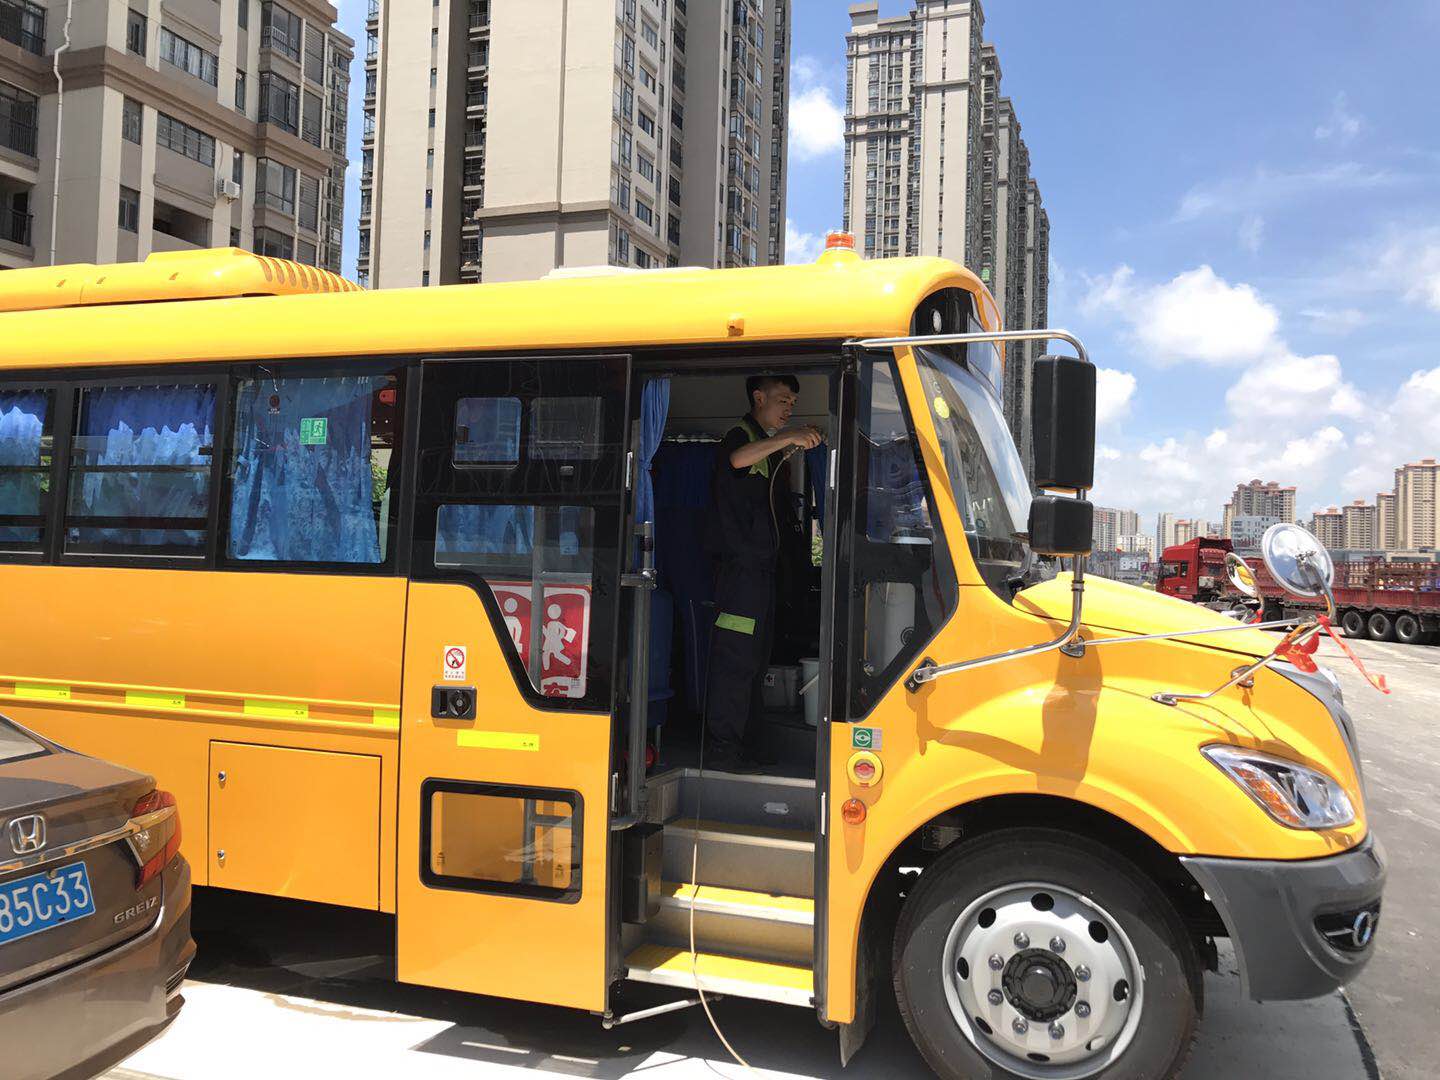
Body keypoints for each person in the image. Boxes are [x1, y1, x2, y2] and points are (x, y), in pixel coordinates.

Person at [703, 374, 822, 772]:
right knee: (735, 662)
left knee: (755, 664)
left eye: (793, 403)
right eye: (783, 400)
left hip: (761, 573)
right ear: (758, 397)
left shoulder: (767, 446)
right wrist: (788, 437)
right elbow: (737, 460)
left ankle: (748, 744)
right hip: (738, 575)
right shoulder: (740, 437)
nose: (789, 408)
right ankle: (723, 749)